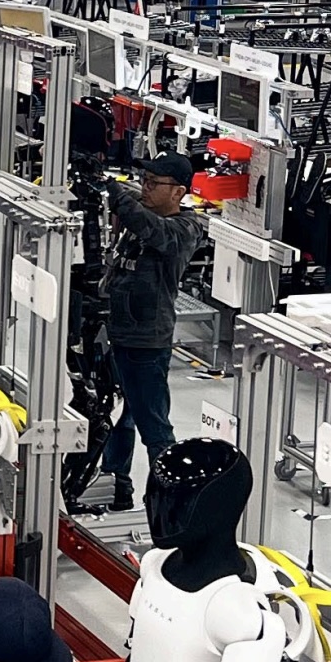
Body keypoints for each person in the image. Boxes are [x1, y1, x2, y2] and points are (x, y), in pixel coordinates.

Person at [99, 151, 208, 512]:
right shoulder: (144, 210)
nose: (145, 187)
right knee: (118, 414)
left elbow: (150, 227)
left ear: (178, 192)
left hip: (145, 342)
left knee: (154, 427)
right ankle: (116, 483)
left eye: (153, 182)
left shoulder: (183, 230)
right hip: (117, 332)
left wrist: (117, 195)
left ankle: (171, 503)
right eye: (143, 180)